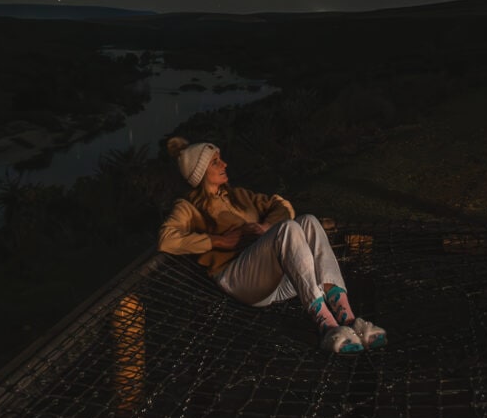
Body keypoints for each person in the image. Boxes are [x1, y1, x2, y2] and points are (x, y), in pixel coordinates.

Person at [158, 137, 386, 354]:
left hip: (275, 281)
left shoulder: (238, 195)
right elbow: (167, 238)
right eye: (215, 161)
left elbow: (281, 206)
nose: (224, 163)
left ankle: (347, 318)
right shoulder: (188, 206)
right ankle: (326, 326)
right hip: (238, 280)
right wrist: (217, 241)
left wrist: (266, 226)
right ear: (200, 172)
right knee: (288, 229)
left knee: (308, 221)